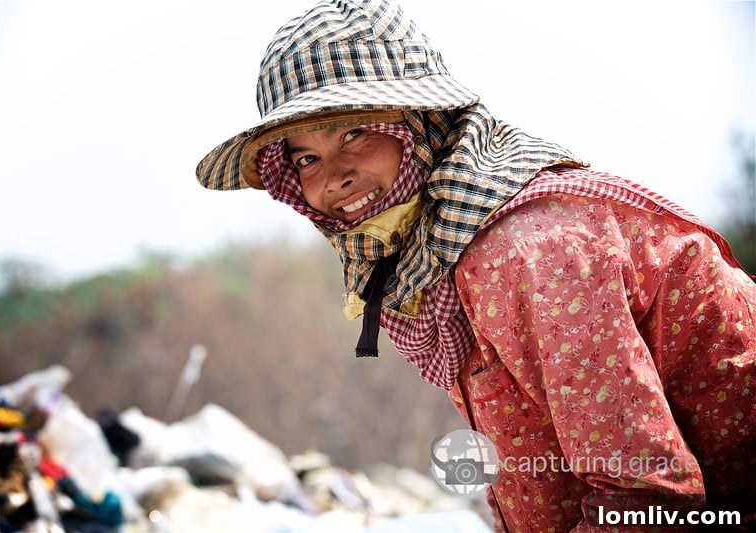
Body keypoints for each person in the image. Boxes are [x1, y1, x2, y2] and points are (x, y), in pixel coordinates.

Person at [195, 0, 756, 530]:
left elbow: (648, 497)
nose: (332, 177)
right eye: (307, 158)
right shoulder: (444, 255)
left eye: (356, 134)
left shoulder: (527, 251)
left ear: (421, 127)